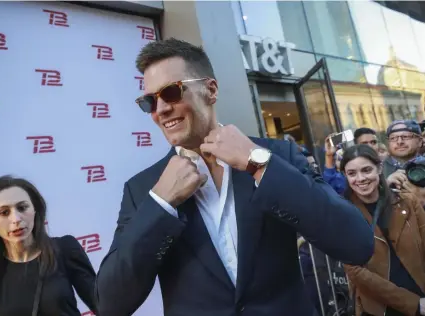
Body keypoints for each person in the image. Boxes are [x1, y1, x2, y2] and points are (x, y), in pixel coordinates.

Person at [96, 38, 374, 316]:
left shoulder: (277, 156)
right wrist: (161, 204)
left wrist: (260, 165)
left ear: (211, 90)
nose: (160, 110)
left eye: (171, 92)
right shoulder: (143, 189)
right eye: (149, 102)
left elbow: (357, 244)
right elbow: (110, 304)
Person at [0, 176, 98, 316]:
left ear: (35, 210)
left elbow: (104, 306)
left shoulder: (65, 249)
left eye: (22, 208)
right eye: (4, 212)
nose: (16, 219)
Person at [340, 145, 425, 316]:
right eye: (352, 173)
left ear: (379, 168)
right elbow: (356, 272)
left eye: (366, 170)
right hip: (381, 308)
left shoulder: (407, 201)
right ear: (345, 175)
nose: (361, 178)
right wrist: (412, 303)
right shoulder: (342, 213)